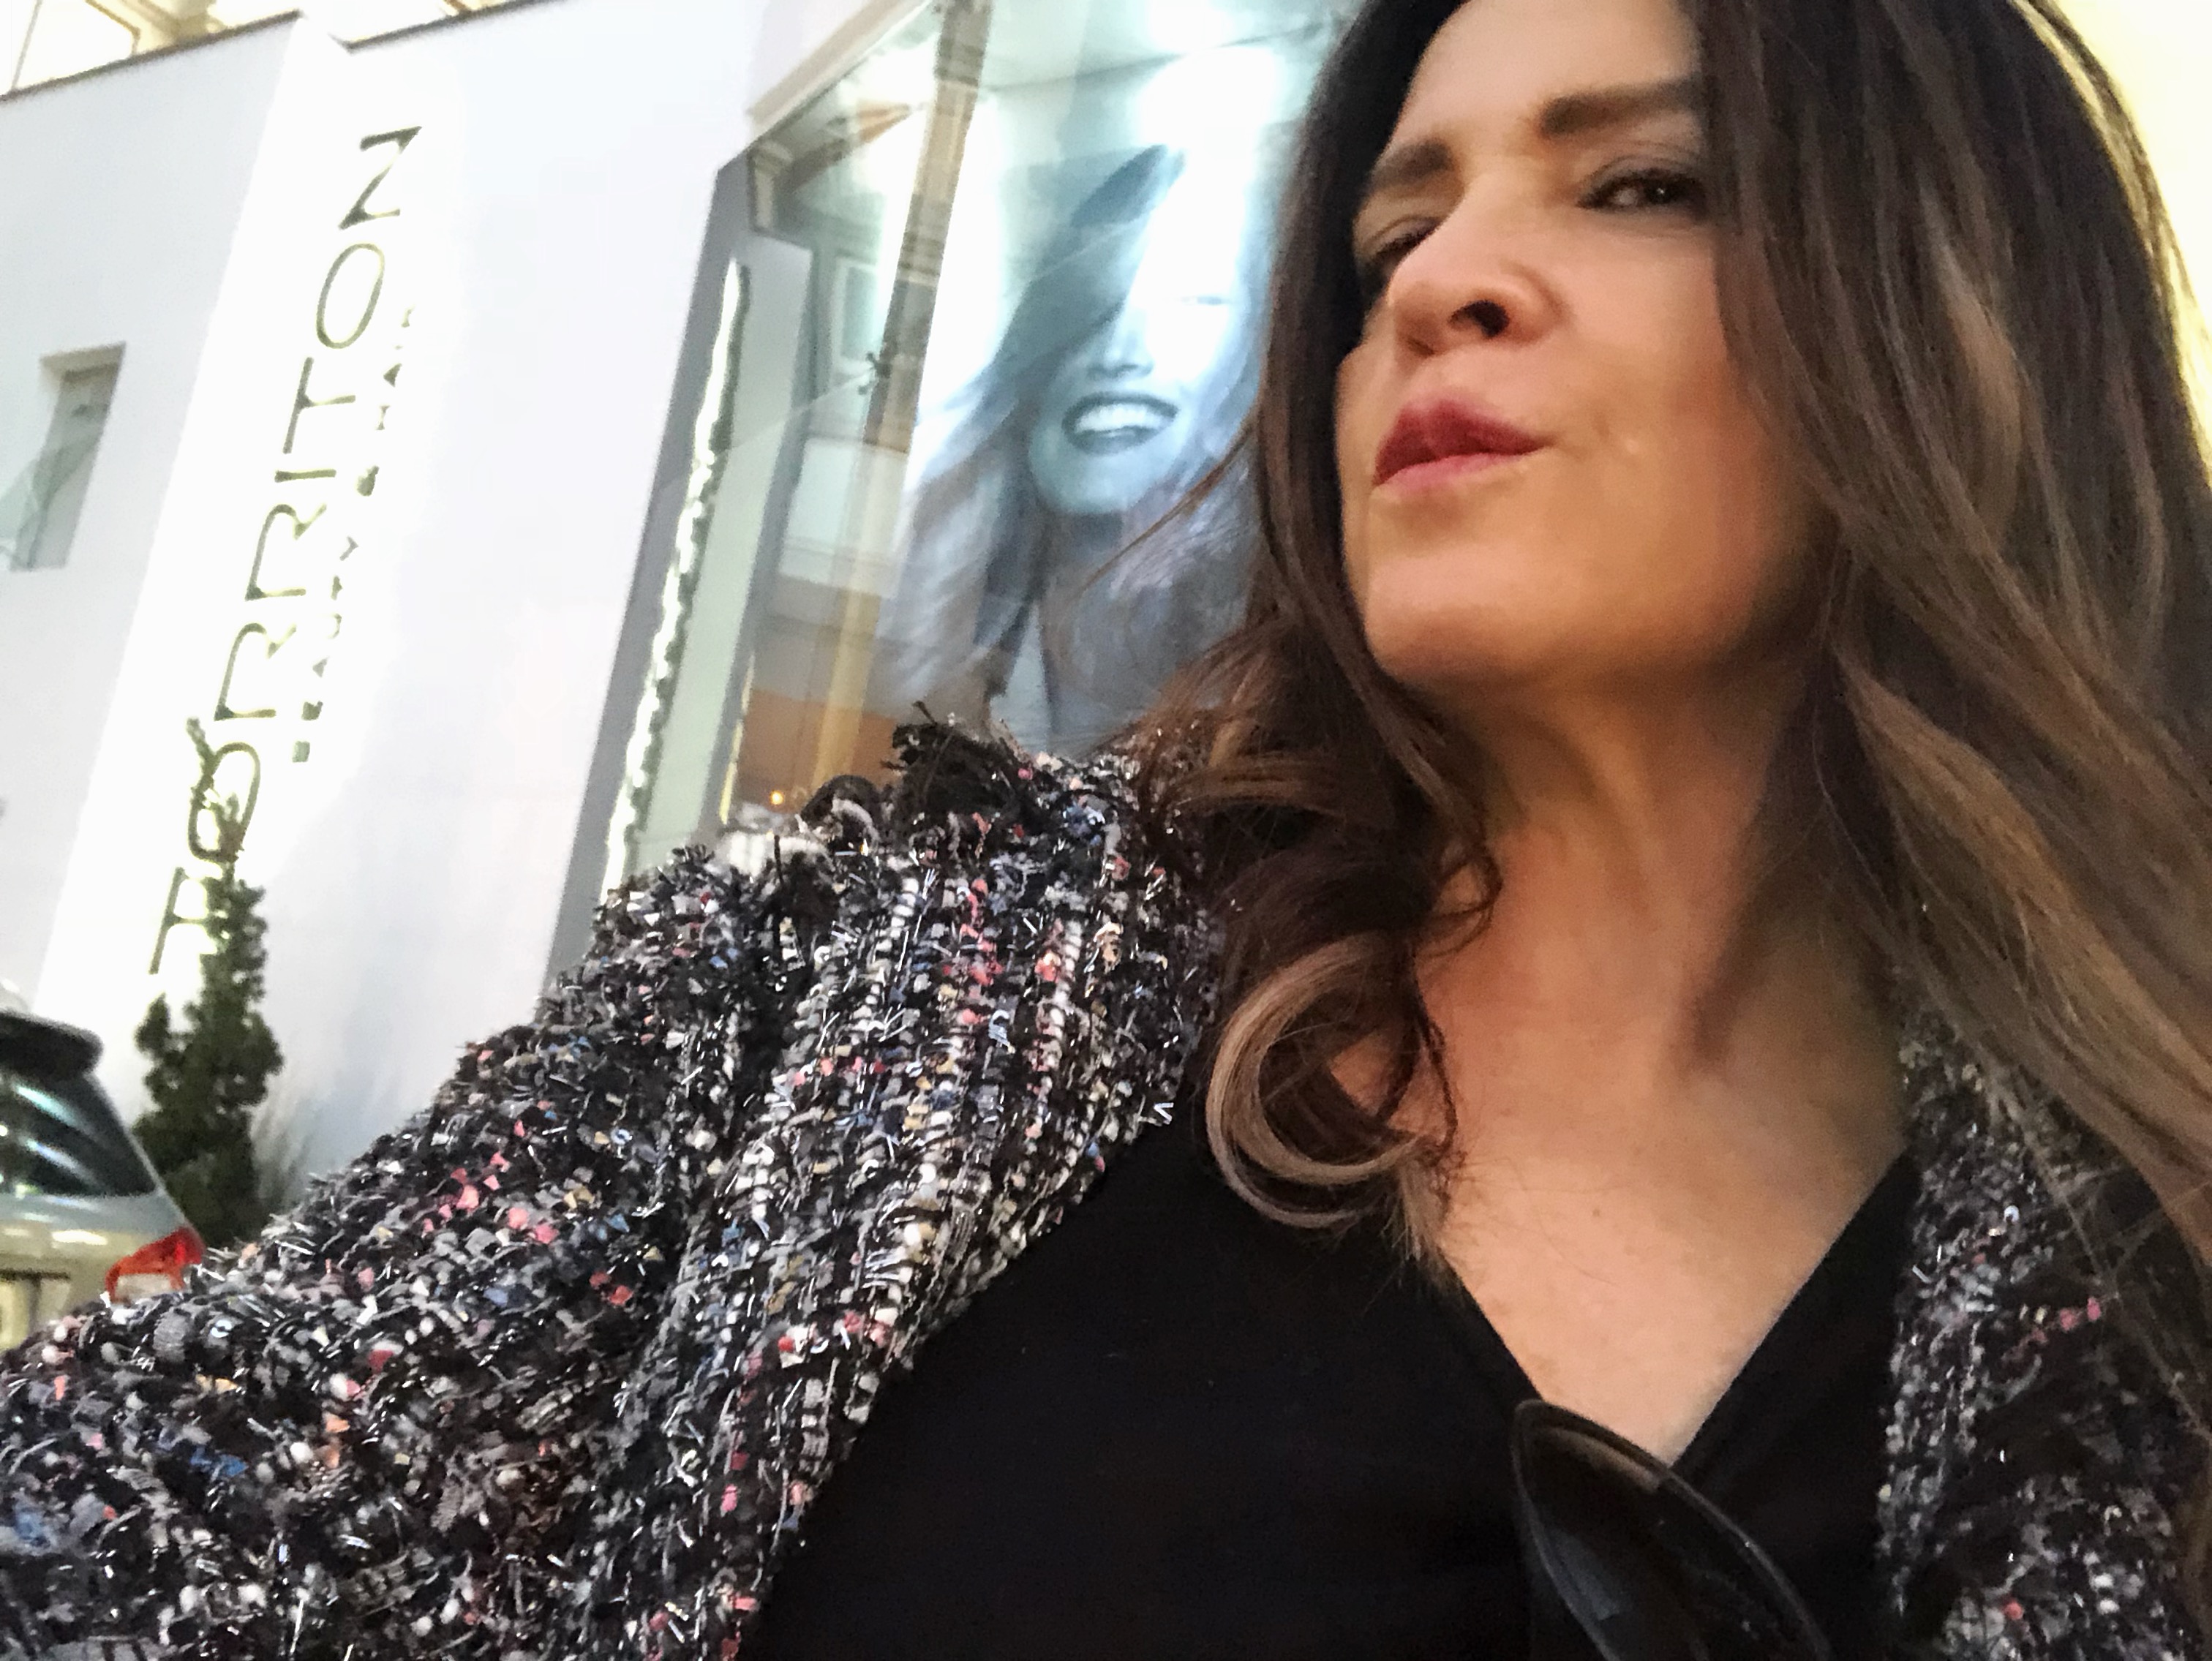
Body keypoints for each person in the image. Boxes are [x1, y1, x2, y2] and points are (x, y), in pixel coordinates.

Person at [2, 0, 2209, 1654]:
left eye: (1640, 184)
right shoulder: (877, 984)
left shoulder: (2131, 1268)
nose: (1439, 281)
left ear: (1962, 308)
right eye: (1396, 227)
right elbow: (136, 1512)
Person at [869, 143, 1263, 753]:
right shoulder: (969, 594)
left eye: (1193, 302)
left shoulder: (1248, 622)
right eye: (1096, 305)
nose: (1122, 353)